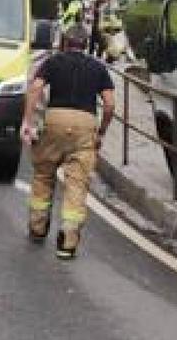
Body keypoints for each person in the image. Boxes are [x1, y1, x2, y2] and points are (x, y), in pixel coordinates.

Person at [20, 23, 116, 259]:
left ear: (64, 42)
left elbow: (35, 89)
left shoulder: (53, 62)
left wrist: (28, 122)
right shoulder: (98, 67)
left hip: (54, 120)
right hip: (85, 125)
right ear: (86, 45)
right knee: (77, 183)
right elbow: (111, 104)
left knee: (43, 174)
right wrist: (101, 132)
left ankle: (37, 228)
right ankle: (67, 242)